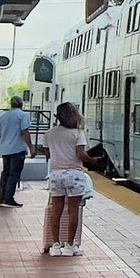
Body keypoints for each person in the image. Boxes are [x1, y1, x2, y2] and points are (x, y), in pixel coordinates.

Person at [41, 102, 93, 258]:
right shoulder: (77, 133)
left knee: (56, 211)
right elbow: (81, 155)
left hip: (56, 175)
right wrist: (93, 160)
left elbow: (48, 154)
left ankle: (56, 246)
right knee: (73, 211)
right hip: (74, 175)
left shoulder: (49, 134)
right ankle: (70, 246)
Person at [0, 96, 31, 208]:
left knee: (5, 173)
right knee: (14, 174)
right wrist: (31, 147)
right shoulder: (23, 115)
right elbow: (25, 132)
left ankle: (2, 198)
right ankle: (9, 199)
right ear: (21, 104)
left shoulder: (2, 116)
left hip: (5, 149)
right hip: (18, 148)